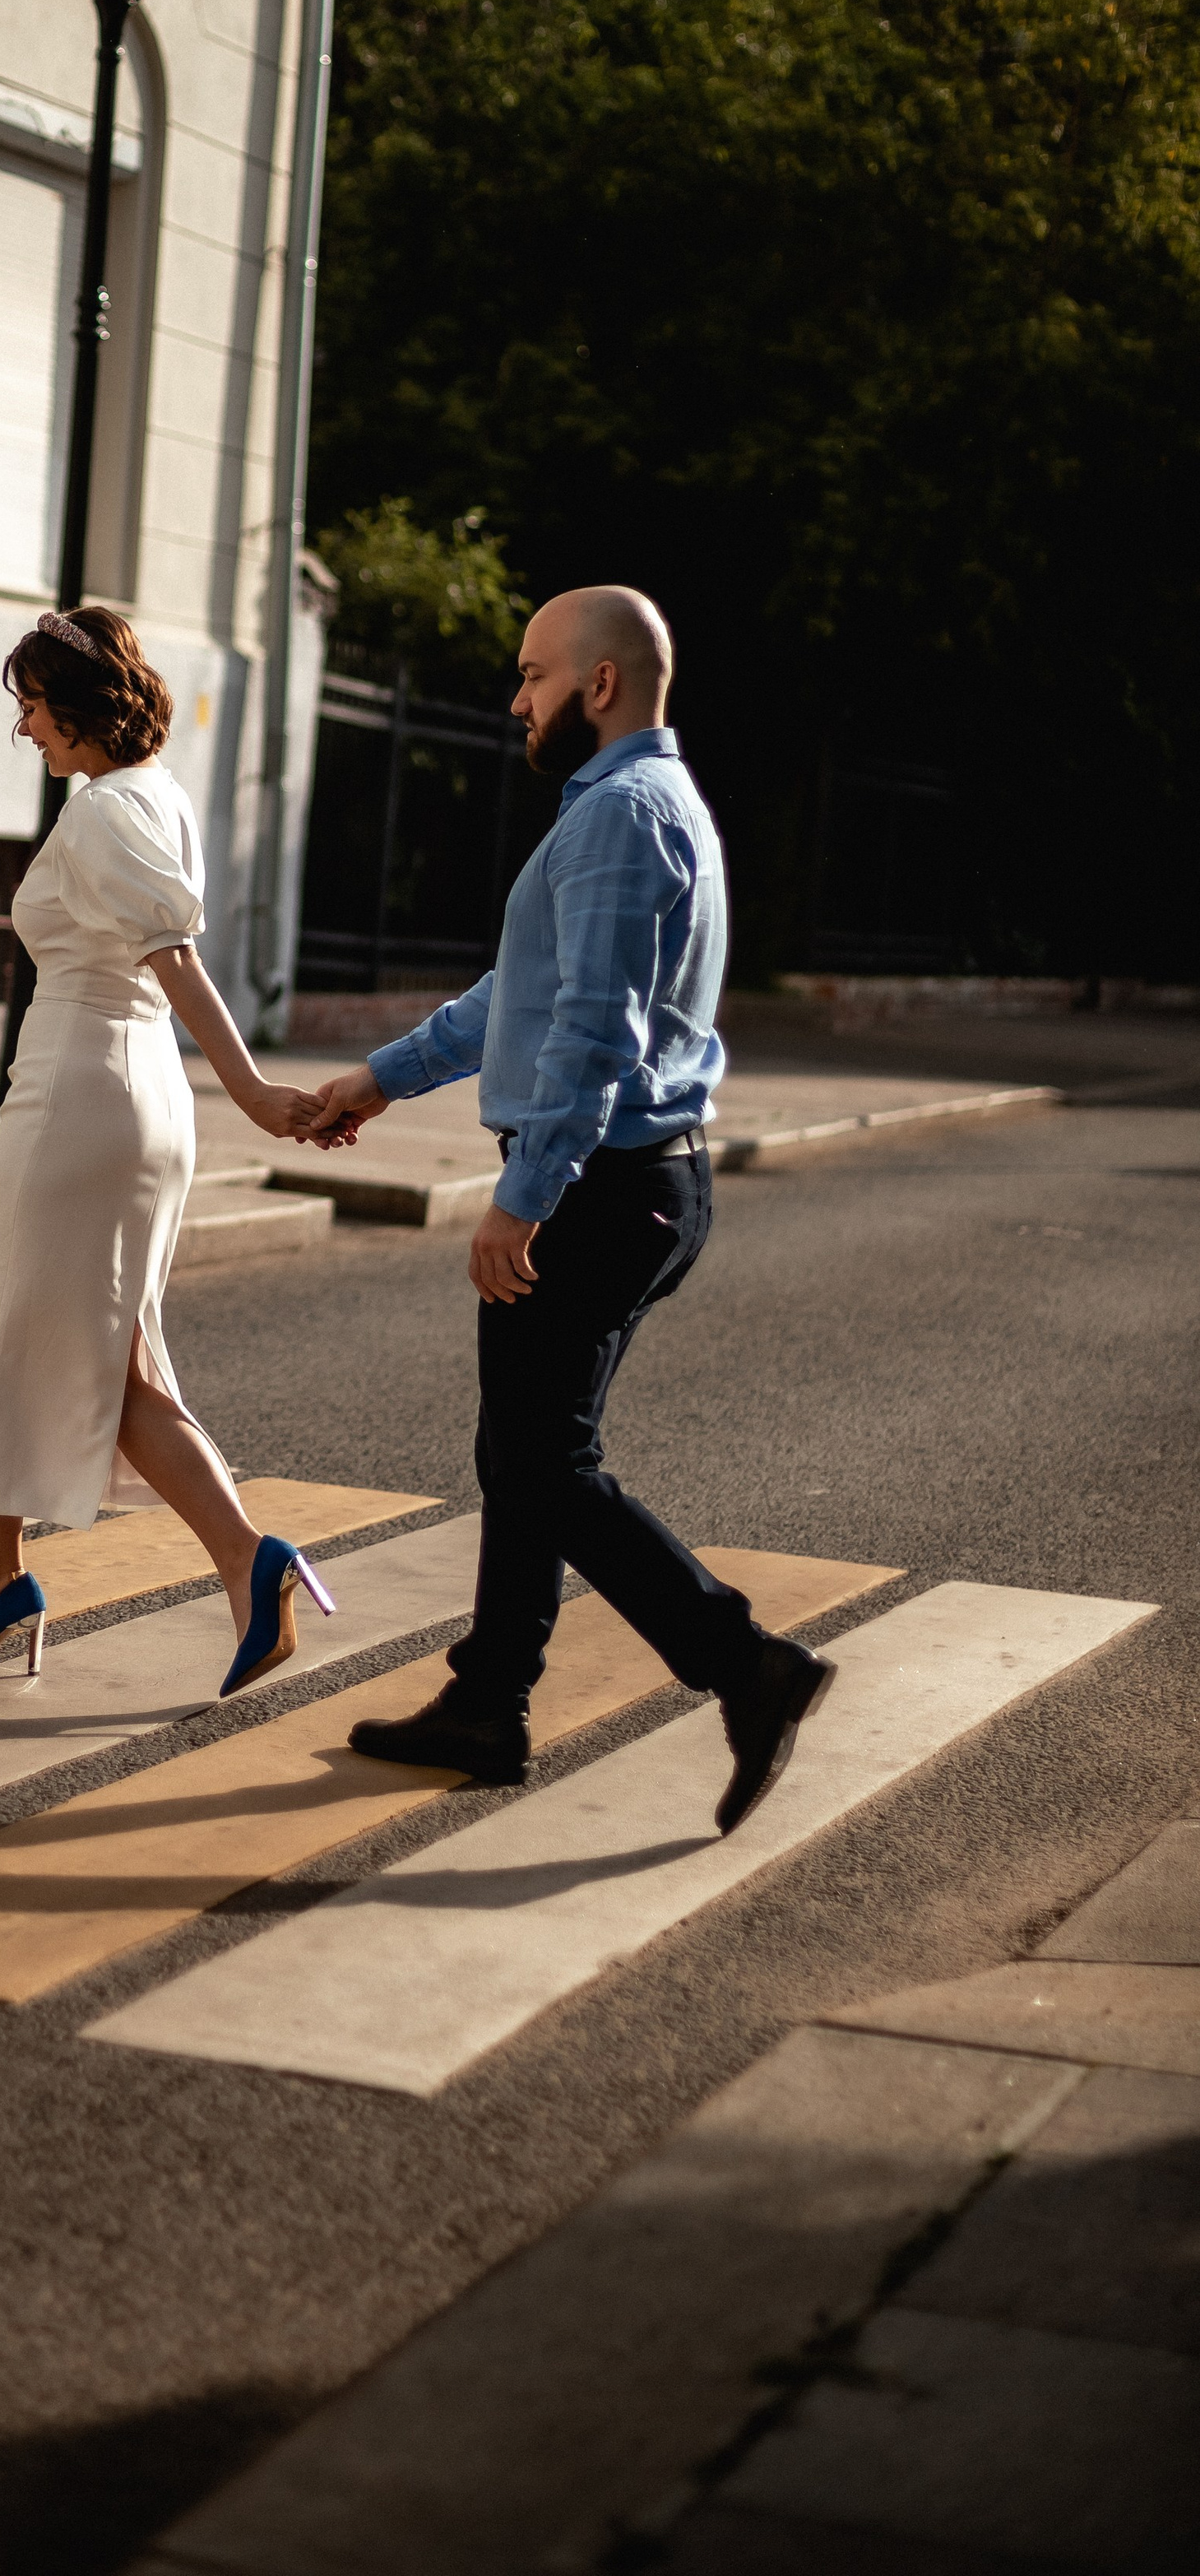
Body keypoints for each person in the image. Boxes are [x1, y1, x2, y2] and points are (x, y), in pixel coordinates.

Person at [303, 585, 832, 1835]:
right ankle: (489, 1702)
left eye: (533, 675)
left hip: (604, 1188)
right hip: (640, 1182)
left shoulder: (620, 816)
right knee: (527, 1453)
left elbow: (595, 1036)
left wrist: (519, 1202)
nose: (515, 698)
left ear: (600, 685)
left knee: (546, 1459)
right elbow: (522, 994)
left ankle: (742, 1662)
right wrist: (378, 1078)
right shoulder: (644, 805)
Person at [0, 606, 337, 1700]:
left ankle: (229, 1562)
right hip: (131, 1095)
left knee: (5, 1329)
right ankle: (13, 1586)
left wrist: (252, 1087)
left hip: (80, 1098)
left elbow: (173, 956)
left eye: (31, 705)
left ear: (76, 703)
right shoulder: (157, 793)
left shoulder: (106, 809)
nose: (24, 729)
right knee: (111, 1355)